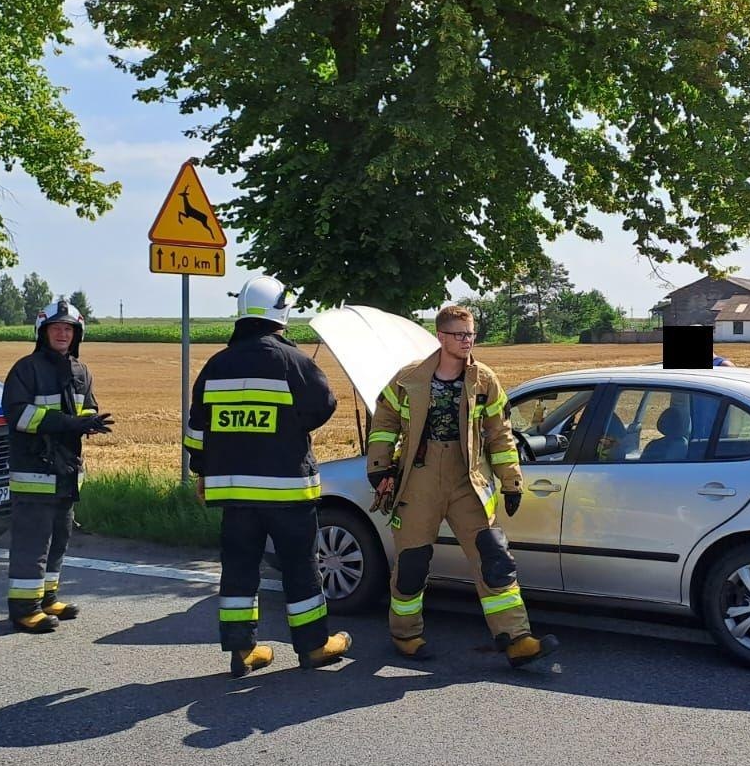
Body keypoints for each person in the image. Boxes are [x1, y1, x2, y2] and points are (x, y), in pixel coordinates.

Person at [366, 304, 558, 669]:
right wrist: (379, 467)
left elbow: (499, 433)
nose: (467, 340)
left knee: (494, 558)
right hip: (418, 479)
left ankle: (517, 639)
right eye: (460, 334)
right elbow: (385, 421)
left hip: (468, 478)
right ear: (441, 337)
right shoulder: (409, 378)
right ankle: (405, 634)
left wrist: (511, 480)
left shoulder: (484, 379)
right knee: (412, 563)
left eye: (471, 334)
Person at [184, 275, 351, 678]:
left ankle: (242, 651)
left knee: (239, 569)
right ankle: (314, 646)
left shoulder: (216, 365)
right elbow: (323, 406)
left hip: (234, 495)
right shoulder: (293, 361)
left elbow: (196, 430)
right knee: (300, 567)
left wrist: (201, 472)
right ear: (282, 312)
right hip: (287, 492)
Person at [2, 298, 112, 633]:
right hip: (34, 470)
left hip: (66, 471)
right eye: (56, 328)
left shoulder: (82, 371)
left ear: (77, 334)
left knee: (60, 538)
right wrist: (67, 423)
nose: (63, 333)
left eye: (69, 329)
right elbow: (18, 414)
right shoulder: (26, 369)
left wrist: (89, 422)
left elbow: (84, 410)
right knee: (32, 541)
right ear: (43, 332)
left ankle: (47, 598)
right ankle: (24, 608)